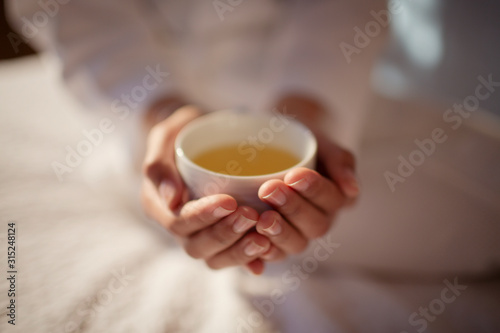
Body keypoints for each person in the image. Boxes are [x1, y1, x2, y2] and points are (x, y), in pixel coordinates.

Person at [8, 0, 387, 274]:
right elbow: (74, 13)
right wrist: (161, 111)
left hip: (315, 94)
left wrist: (307, 104)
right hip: (145, 116)